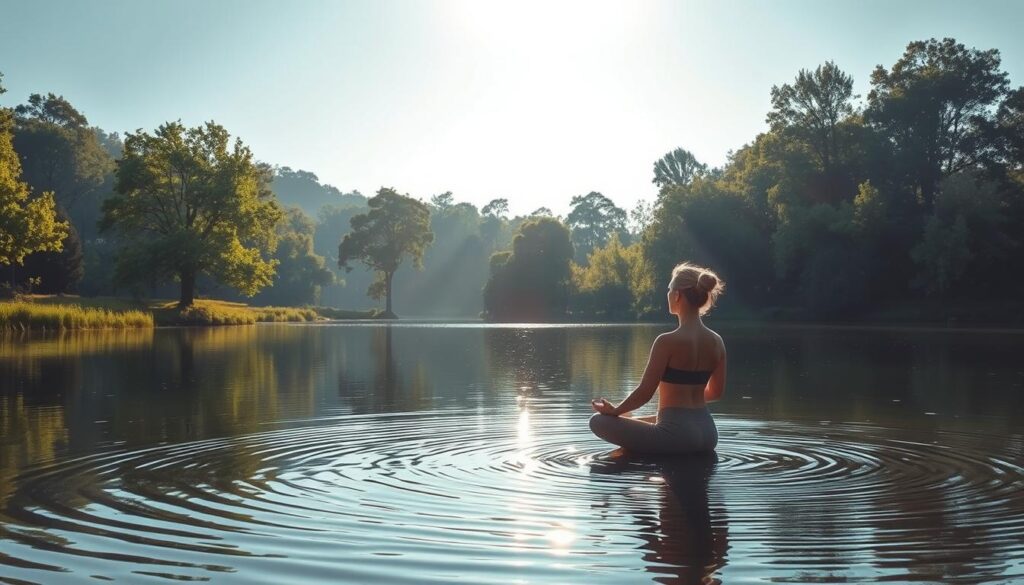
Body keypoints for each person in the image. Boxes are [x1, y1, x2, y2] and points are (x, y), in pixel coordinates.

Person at [589, 262, 726, 454]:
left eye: (669, 289)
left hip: (676, 437)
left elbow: (645, 393)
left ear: (677, 295)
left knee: (598, 421)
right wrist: (673, 407)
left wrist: (615, 411)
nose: (668, 293)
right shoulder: (717, 341)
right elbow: (715, 393)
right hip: (708, 434)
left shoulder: (666, 341)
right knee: (636, 419)